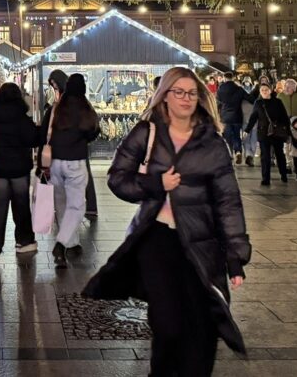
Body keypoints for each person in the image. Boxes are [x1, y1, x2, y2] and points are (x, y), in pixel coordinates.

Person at [84, 66, 250, 375]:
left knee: (203, 327)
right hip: (157, 239)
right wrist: (155, 184)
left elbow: (228, 201)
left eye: (192, 93)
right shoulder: (146, 133)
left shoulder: (212, 144)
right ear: (165, 97)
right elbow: (118, 179)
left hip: (202, 242)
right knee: (168, 324)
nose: (186, 99)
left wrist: (235, 256)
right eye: (179, 92)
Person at [42, 73, 99, 268]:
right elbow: (93, 132)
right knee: (77, 205)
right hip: (75, 161)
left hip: (55, 162)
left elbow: (44, 131)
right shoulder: (85, 108)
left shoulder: (57, 108)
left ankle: (71, 243)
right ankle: (61, 243)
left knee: (61, 203)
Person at [0, 83, 42, 266]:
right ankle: (24, 242)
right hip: (18, 170)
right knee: (21, 206)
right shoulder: (21, 118)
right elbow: (32, 139)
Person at [245, 83, 290, 185]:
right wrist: (247, 130)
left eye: (266, 89)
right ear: (260, 92)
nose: (264, 91)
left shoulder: (278, 102)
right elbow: (253, 117)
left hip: (277, 132)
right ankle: (265, 178)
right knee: (265, 156)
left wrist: (288, 131)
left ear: (270, 90)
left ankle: (283, 174)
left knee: (279, 154)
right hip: (263, 132)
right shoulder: (258, 103)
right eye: (262, 90)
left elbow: (284, 117)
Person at [216, 72, 251, 165]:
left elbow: (218, 102)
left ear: (224, 78)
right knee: (236, 135)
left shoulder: (220, 89)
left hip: (225, 116)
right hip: (237, 116)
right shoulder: (239, 89)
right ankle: (238, 151)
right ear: (233, 78)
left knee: (227, 136)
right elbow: (250, 98)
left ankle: (229, 154)